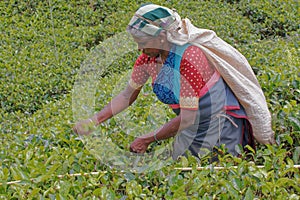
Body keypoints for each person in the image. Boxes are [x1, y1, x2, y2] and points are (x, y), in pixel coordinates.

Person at [73, 3, 274, 160]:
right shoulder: (147, 59)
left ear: (161, 37)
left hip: (219, 124)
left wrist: (147, 139)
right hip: (190, 126)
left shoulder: (190, 58)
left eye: (143, 43)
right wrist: (94, 121)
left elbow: (187, 117)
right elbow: (127, 95)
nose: (139, 49)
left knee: (222, 170)